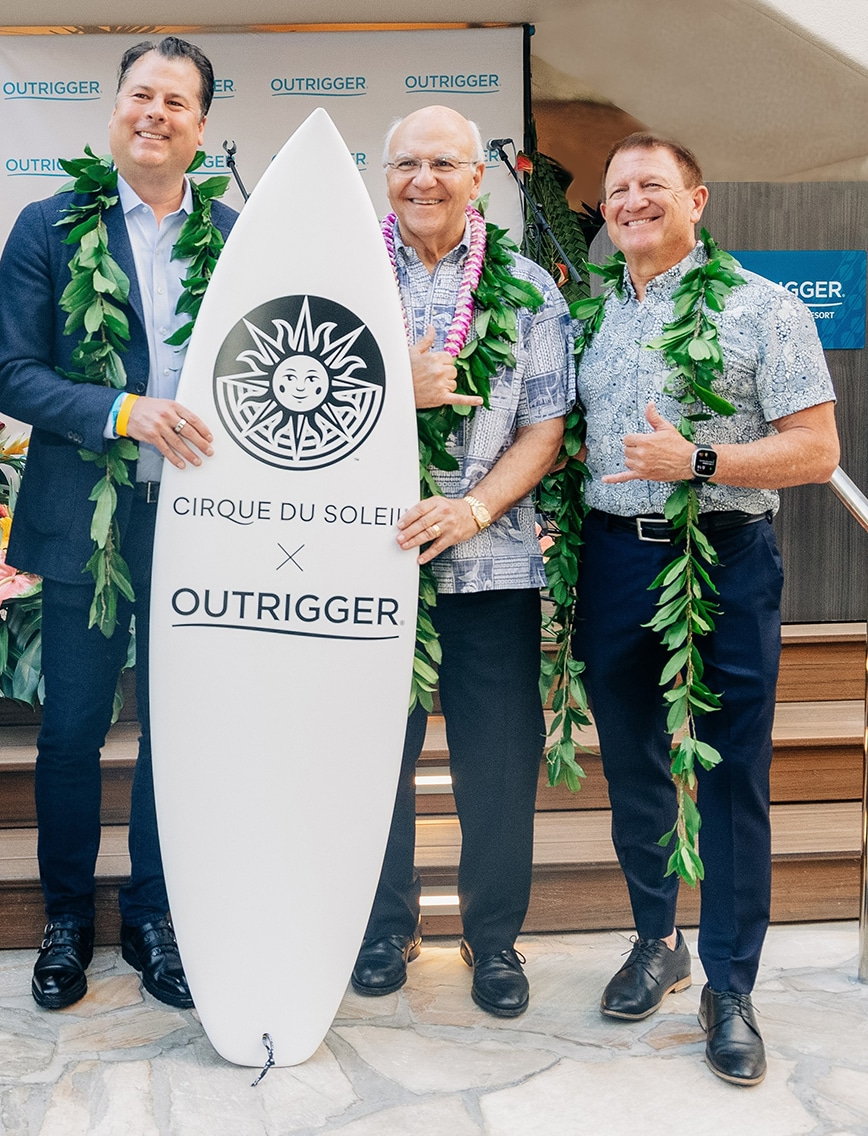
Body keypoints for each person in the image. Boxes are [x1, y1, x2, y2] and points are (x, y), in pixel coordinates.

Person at [576, 133, 838, 1085]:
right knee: (637, 764)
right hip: (612, 564)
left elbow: (814, 449)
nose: (632, 201)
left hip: (726, 561)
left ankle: (731, 984)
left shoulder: (763, 309)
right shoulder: (590, 314)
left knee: (730, 776)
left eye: (652, 185)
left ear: (698, 200)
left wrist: (700, 459)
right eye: (618, 189)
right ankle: (657, 939)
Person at [0, 35, 237, 1011]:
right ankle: (64, 921)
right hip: (84, 519)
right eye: (142, 94)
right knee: (75, 727)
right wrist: (126, 411)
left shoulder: (232, 233)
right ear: (114, 109)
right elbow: (11, 373)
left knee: (178, 729)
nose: (156, 113)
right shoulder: (49, 228)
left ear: (201, 127)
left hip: (200, 523)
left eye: (177, 101)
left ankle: (154, 916)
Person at [351, 105, 574, 1018]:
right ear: (385, 175)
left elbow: (547, 425)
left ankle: (494, 942)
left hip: (494, 566)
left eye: (443, 162)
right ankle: (381, 925)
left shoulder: (527, 289)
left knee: (498, 760)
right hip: (366, 565)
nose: (422, 180)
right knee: (372, 759)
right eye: (405, 163)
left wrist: (476, 507)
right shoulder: (344, 280)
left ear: (478, 176)